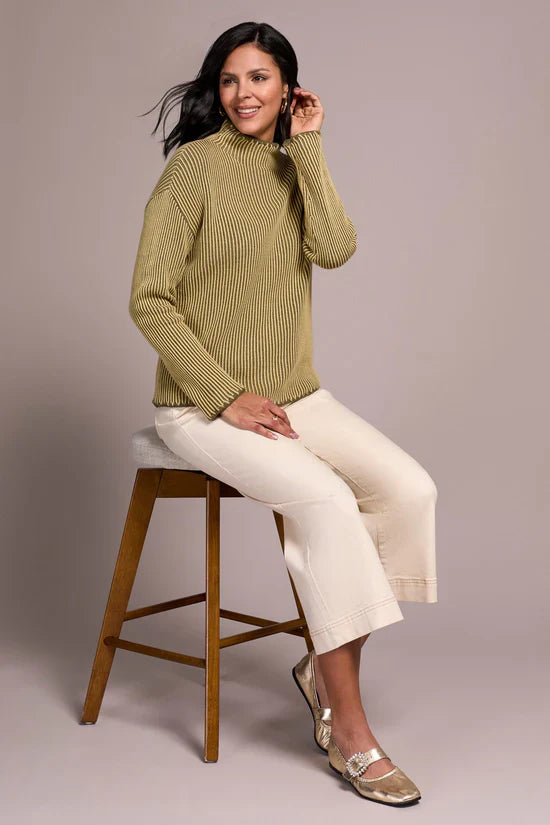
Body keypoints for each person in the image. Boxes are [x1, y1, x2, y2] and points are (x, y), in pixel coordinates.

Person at [129, 21, 437, 806]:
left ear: (288, 87)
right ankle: (351, 733)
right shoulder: (190, 170)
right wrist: (225, 396)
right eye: (230, 80)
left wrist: (311, 147)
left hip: (296, 394)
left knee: (408, 491)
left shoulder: (295, 162)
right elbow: (150, 300)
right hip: (201, 407)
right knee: (330, 504)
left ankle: (319, 667)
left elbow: (335, 248)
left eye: (260, 78)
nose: (242, 95)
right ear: (215, 88)